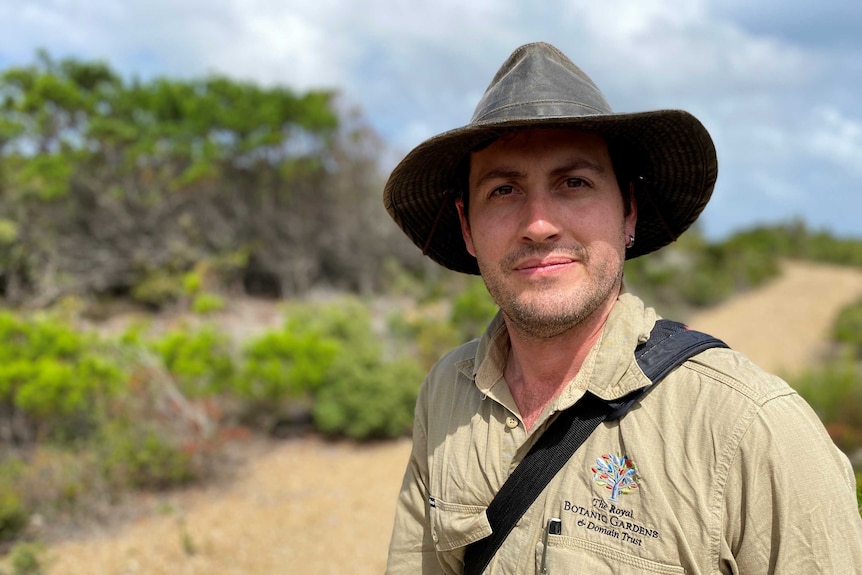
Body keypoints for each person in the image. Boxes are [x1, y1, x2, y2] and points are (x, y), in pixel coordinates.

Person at [382, 42, 862, 574]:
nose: (539, 223)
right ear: (467, 226)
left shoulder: (752, 428)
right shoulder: (447, 391)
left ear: (628, 211)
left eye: (574, 183)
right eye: (503, 190)